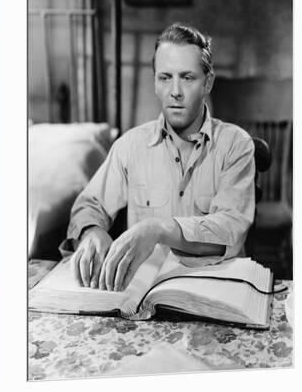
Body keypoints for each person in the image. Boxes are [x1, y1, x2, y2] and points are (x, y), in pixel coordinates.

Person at [61, 22, 255, 292]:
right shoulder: (130, 145)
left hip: (217, 292)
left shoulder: (236, 144)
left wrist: (158, 229)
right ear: (155, 82)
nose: (175, 91)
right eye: (165, 77)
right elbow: (89, 205)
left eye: (187, 77)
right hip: (146, 294)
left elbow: (231, 228)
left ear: (207, 82)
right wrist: (91, 231)